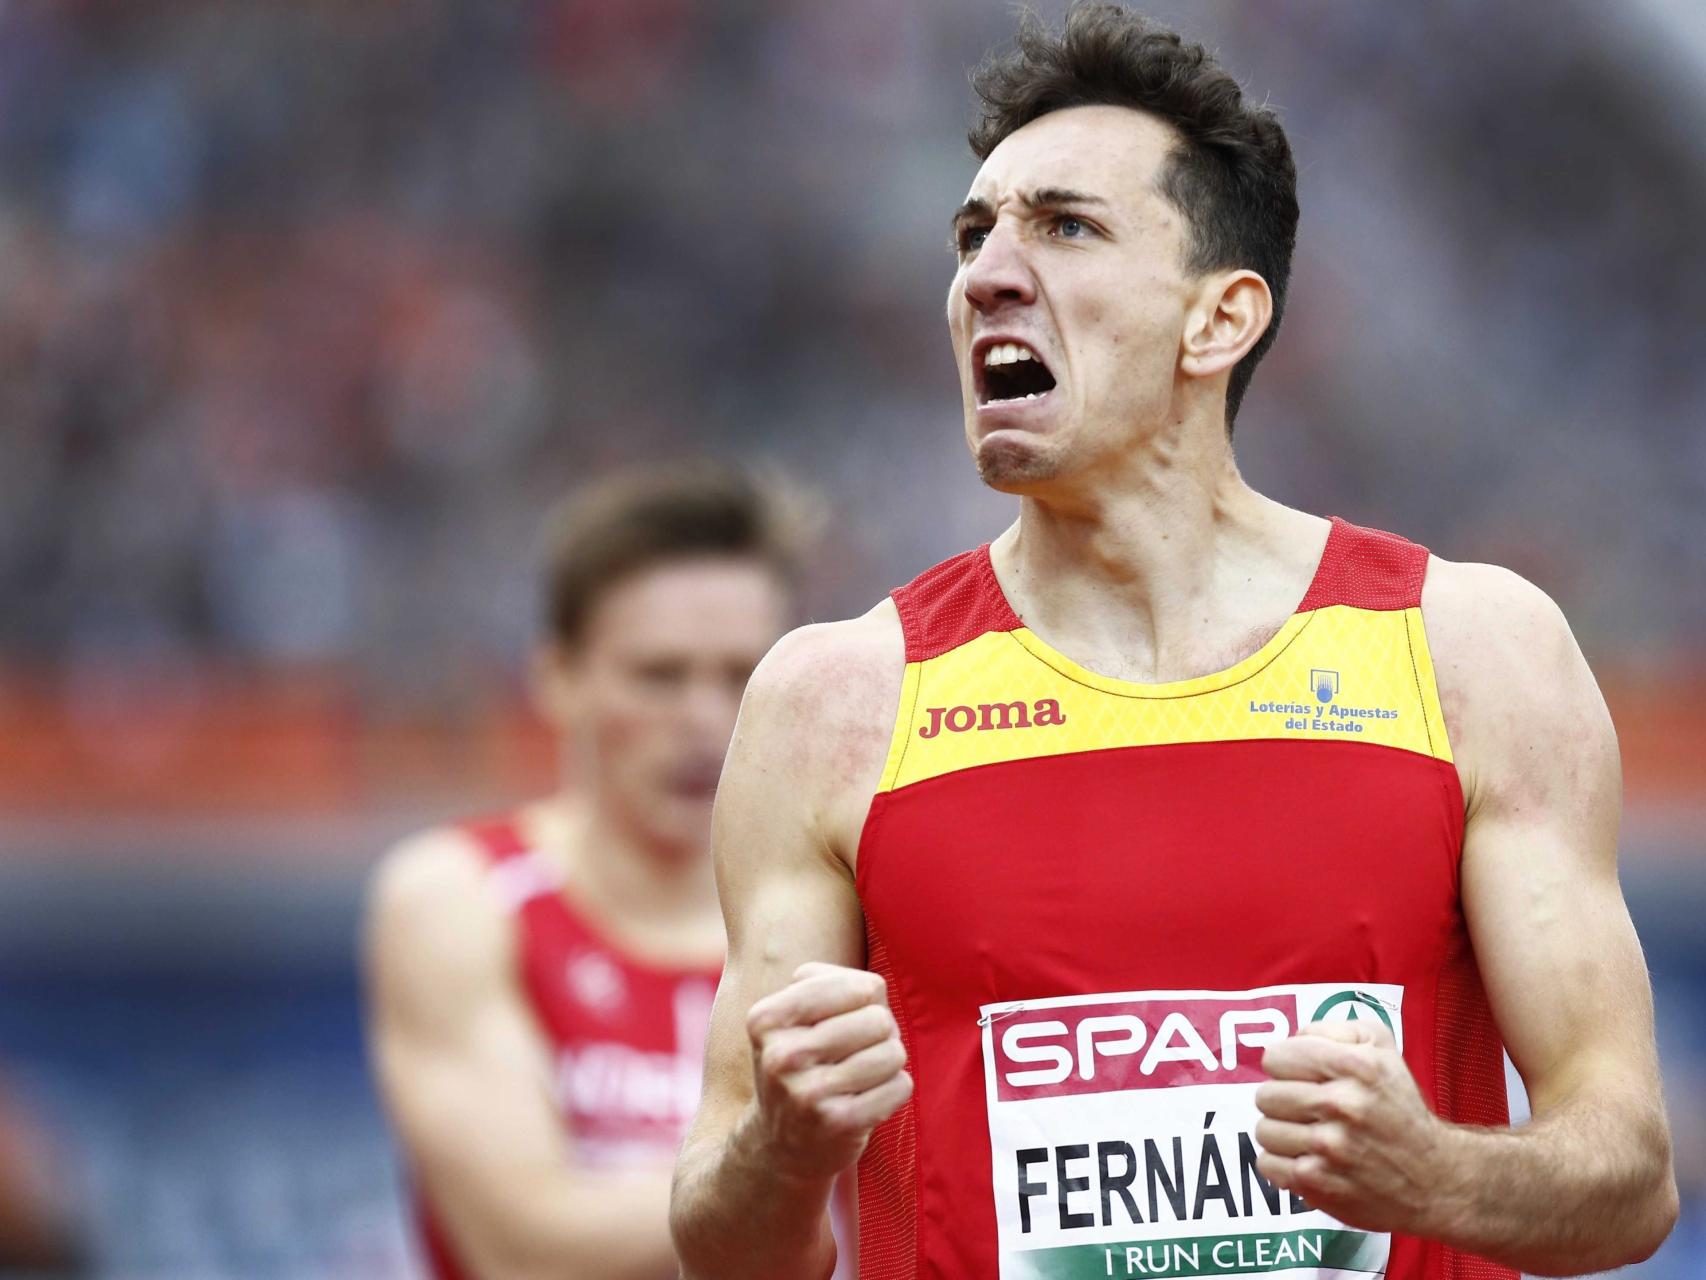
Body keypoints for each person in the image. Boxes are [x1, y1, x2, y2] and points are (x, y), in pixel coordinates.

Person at [669, 6, 1678, 1279]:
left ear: (1219, 319)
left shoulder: (1467, 652)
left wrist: (1434, 1170)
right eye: (972, 234)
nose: (985, 271)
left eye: (1065, 227)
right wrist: (784, 1146)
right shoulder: (836, 700)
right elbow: (720, 1238)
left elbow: (1628, 1174)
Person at [364, 464, 804, 1280]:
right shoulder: (461, 898)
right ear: (558, 678)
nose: (707, 721)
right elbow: (528, 1249)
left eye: (744, 675)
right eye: (659, 676)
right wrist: (790, 1162)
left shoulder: (848, 907)